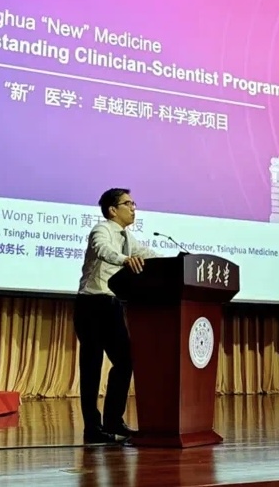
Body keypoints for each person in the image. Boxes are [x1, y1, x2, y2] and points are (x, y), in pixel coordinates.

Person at [74, 188, 159, 444]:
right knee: (91, 367)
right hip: (91, 304)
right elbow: (102, 250)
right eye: (128, 203)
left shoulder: (127, 237)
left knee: (125, 361)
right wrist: (124, 260)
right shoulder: (101, 230)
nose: (133, 208)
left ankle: (113, 420)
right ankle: (92, 428)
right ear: (113, 210)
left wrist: (181, 263)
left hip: (111, 305)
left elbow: (147, 255)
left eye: (134, 203)